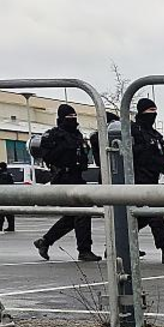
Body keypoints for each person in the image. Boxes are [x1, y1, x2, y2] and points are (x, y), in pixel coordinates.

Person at [34, 104, 101, 262]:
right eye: (69, 117)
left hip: (77, 177)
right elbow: (48, 156)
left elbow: (83, 155)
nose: (73, 120)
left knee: (74, 216)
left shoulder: (77, 135)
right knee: (82, 212)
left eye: (74, 117)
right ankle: (84, 250)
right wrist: (65, 150)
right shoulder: (53, 136)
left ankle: (45, 241)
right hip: (63, 178)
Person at [130, 98, 164, 264]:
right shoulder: (133, 131)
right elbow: (133, 154)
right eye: (149, 111)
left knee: (144, 217)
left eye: (155, 110)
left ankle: (120, 242)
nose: (153, 114)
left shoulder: (154, 134)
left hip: (152, 178)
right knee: (155, 215)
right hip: (138, 179)